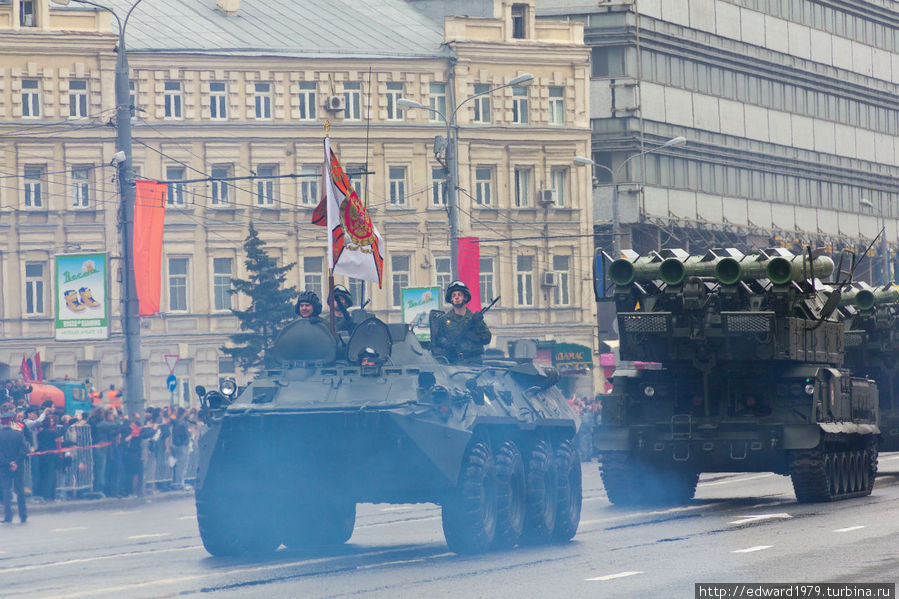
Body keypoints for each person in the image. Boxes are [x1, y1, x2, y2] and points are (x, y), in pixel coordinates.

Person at [431, 280, 492, 364]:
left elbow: (487, 338)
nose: (456, 297)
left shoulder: (474, 319)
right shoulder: (444, 319)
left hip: (474, 362)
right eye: (453, 295)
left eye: (459, 295)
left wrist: (475, 337)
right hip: (454, 362)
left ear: (465, 298)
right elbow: (438, 339)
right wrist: (448, 344)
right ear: (451, 299)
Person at [0, 409, 28, 523]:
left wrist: (8, 463)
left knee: (6, 490)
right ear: (11, 422)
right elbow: (24, 450)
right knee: (20, 490)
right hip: (18, 466)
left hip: (4, 467)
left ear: (2, 422)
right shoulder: (18, 434)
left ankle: (8, 516)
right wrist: (16, 462)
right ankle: (23, 515)